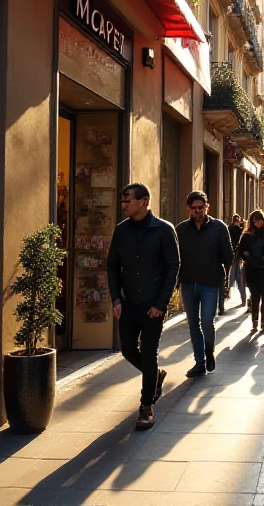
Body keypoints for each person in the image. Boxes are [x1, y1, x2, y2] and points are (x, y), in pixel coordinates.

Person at [107, 183, 180, 430]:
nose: (124, 205)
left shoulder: (164, 230)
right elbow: (112, 266)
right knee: (127, 349)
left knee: (149, 353)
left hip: (153, 306)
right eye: (122, 201)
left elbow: (173, 267)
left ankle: (146, 405)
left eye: (128, 201)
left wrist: (161, 303)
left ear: (144, 202)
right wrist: (116, 298)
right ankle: (155, 375)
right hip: (128, 303)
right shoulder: (121, 231)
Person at [176, 191, 233, 378]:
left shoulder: (219, 228)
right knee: (193, 324)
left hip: (210, 283)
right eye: (194, 208)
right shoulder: (181, 229)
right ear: (188, 209)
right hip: (188, 283)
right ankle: (199, 362)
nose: (198, 211)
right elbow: (175, 259)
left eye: (201, 207)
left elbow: (229, 257)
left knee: (207, 321)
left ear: (207, 207)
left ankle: (209, 351)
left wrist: (223, 280)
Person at [236, 209, 264, 333]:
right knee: (255, 297)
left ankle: (263, 321)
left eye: (259, 220)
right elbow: (240, 251)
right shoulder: (246, 236)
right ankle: (255, 321)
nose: (257, 223)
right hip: (251, 270)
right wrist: (246, 256)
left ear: (263, 220)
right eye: (254, 220)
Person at [227, 214, 247, 310]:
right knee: (238, 278)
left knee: (230, 278)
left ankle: (225, 297)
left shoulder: (228, 228)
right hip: (237, 257)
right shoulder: (239, 230)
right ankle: (243, 299)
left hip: (231, 257)